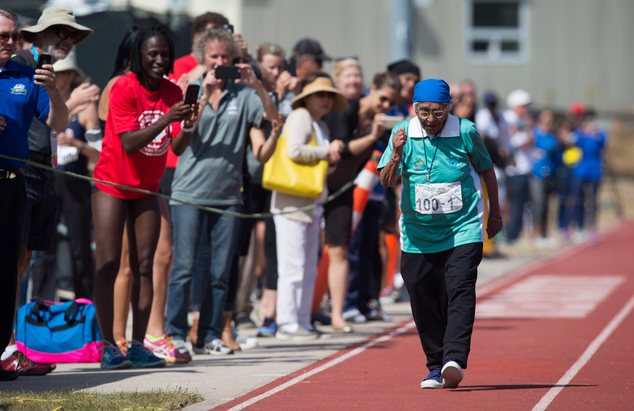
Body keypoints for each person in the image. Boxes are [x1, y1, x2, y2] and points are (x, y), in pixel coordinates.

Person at [378, 78, 502, 389]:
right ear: (414, 109)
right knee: (422, 296)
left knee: (459, 289)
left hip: (463, 227)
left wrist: (494, 213)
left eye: (437, 112)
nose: (431, 119)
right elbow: (385, 181)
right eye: (424, 112)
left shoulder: (465, 130)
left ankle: (454, 359)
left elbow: (487, 169)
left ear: (448, 108)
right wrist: (395, 154)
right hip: (418, 233)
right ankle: (435, 364)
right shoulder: (402, 133)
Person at [166, 29, 279, 356]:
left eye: (225, 58)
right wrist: (201, 93)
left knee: (219, 270)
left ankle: (211, 333)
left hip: (229, 195)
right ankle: (175, 332)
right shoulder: (191, 88)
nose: (220, 63)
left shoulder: (243, 96)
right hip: (187, 192)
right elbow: (182, 138)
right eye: (214, 58)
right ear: (203, 59)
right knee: (184, 266)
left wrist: (256, 84)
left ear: (234, 60)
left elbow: (271, 118)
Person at [91, 26, 197, 369]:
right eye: (151, 54)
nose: (158, 59)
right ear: (139, 56)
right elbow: (129, 143)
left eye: (164, 54)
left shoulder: (170, 91)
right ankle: (109, 344)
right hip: (112, 184)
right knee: (108, 265)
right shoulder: (124, 87)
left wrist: (189, 128)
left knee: (145, 265)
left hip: (147, 189)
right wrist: (168, 117)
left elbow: (176, 146)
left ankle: (138, 344)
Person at [0, 7, 68, 380]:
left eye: (13, 36)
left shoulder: (28, 74)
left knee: (14, 265)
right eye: (2, 36)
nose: (10, 43)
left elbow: (58, 123)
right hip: (16, 176)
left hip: (15, 179)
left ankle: (5, 348)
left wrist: (55, 92)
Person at [271, 72, 346, 341]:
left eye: (329, 95)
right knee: (293, 266)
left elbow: (315, 164)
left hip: (311, 202)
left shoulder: (320, 125)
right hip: (292, 203)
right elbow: (293, 151)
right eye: (320, 95)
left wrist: (329, 157)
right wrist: (326, 152)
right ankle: (287, 323)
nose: (326, 100)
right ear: (307, 98)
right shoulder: (301, 117)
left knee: (307, 267)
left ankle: (301, 320)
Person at [503, 89, 535, 244]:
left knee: (521, 203)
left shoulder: (523, 120)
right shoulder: (508, 119)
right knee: (513, 203)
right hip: (513, 169)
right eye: (524, 105)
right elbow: (509, 143)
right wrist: (525, 141)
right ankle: (510, 235)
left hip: (524, 168)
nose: (526, 109)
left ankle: (515, 234)